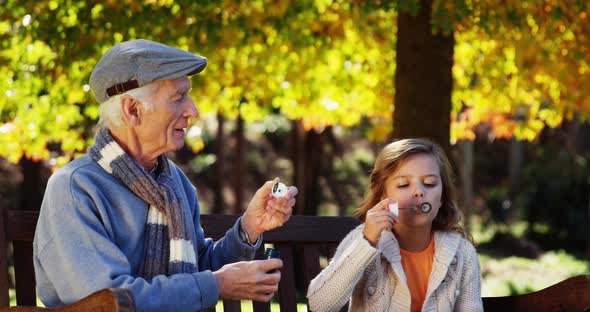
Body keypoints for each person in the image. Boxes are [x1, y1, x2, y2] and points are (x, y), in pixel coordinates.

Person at [33, 39, 298, 312]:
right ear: (132, 109)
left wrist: (249, 228)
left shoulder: (174, 184)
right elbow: (109, 301)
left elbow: (195, 270)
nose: (192, 110)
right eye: (178, 97)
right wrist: (214, 285)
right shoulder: (76, 187)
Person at [307, 138, 483, 311]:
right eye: (403, 184)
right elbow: (320, 305)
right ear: (383, 196)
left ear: (442, 198)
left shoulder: (462, 253)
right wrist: (366, 242)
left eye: (430, 184)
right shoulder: (363, 239)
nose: (419, 192)